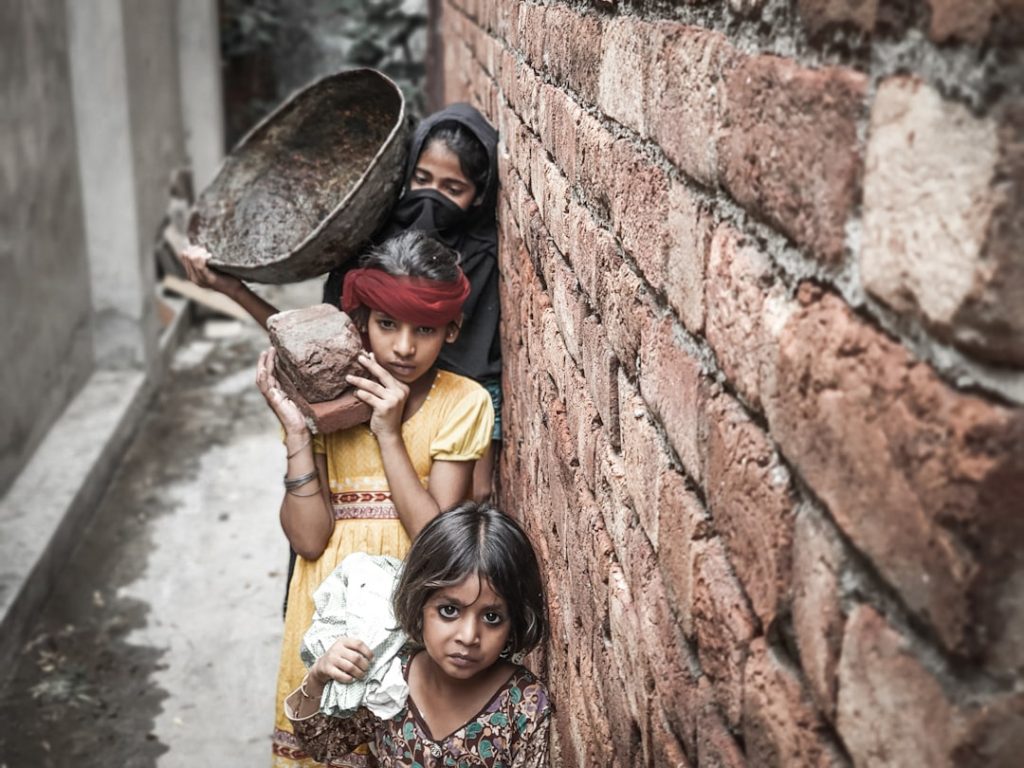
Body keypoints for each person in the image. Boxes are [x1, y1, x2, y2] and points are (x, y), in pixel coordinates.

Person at [182, 103, 503, 502]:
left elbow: (473, 488)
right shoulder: (372, 243)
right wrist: (232, 289)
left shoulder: (481, 263)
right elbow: (314, 344)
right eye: (422, 180)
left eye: (452, 189)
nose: (404, 346)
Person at [258, 231, 494, 768]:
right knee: (323, 747)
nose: (404, 347)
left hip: (407, 609)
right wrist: (298, 435)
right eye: (387, 324)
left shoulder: (463, 403)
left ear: (452, 329)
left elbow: (438, 541)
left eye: (425, 329)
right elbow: (309, 539)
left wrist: (388, 432)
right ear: (360, 323)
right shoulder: (322, 402)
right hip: (327, 609)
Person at [284, 502, 552, 767]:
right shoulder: (388, 676)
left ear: (514, 620)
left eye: (492, 617)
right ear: (419, 604)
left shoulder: (524, 704)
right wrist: (319, 677)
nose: (469, 636)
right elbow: (320, 746)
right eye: (449, 610)